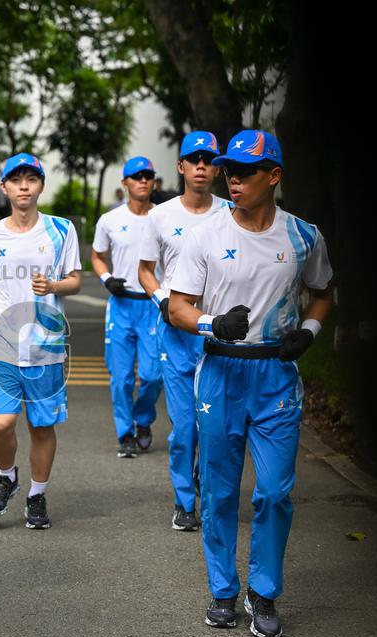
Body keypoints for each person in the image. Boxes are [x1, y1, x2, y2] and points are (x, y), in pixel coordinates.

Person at [168, 130, 332, 637]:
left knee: (276, 492)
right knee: (218, 491)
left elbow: (323, 293)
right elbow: (176, 306)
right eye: (228, 170)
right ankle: (222, 590)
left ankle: (263, 591)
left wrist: (308, 333)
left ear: (274, 176)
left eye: (244, 171)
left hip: (275, 377)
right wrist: (211, 324)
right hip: (220, 371)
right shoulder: (206, 236)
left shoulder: (304, 237)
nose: (231, 178)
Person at [0, 153, 81, 530]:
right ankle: (7, 475)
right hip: (0, 342)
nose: (24, 187)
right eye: (16, 181)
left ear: (40, 185)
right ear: (4, 187)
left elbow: (75, 280)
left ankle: (36, 494)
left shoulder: (61, 230)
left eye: (31, 180)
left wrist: (53, 285)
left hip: (45, 344)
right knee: (2, 423)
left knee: (41, 426)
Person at [138, 131, 228, 531]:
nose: (202, 167)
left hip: (218, 331)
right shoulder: (160, 215)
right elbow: (145, 269)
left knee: (215, 423)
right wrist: (161, 297)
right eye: (195, 160)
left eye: (210, 160)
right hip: (175, 329)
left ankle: (206, 486)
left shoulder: (230, 213)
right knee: (185, 424)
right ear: (181, 167)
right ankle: (184, 500)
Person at [91, 156, 162, 458]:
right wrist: (107, 278)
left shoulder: (164, 217)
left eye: (148, 175)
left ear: (154, 182)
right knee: (121, 378)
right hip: (121, 306)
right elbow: (96, 255)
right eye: (136, 176)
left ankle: (143, 420)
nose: (143, 180)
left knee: (153, 375)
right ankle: (125, 434)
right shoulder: (110, 220)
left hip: (154, 307)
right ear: (125, 183)